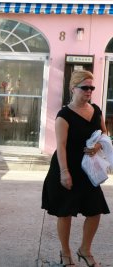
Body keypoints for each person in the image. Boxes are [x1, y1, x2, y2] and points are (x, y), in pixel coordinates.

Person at [42, 70, 110, 267]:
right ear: (73, 88)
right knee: (65, 212)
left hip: (89, 170)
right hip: (66, 167)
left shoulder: (96, 110)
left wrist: (98, 146)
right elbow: (61, 146)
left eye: (92, 88)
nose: (89, 91)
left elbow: (104, 133)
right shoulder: (64, 115)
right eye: (85, 87)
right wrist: (64, 173)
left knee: (95, 211)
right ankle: (65, 253)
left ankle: (85, 250)